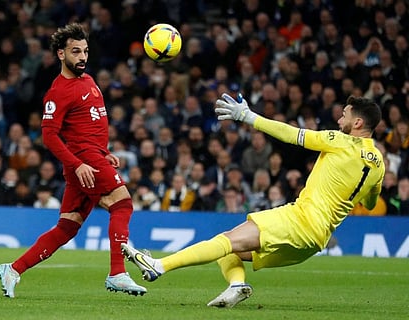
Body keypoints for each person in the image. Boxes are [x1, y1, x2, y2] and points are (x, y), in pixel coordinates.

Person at [122, 94, 384, 308]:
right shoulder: (379, 165)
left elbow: (292, 134)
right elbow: (371, 203)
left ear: (358, 123)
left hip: (300, 219)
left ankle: (158, 266)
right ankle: (236, 286)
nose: (339, 119)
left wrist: (248, 117)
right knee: (230, 248)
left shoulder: (341, 141)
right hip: (315, 241)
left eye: (345, 115)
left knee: (224, 241)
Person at [0, 23, 146, 298]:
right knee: (122, 204)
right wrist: (78, 164)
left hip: (93, 158)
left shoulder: (88, 81)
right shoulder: (57, 91)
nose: (83, 57)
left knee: (68, 226)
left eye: (85, 51)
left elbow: (90, 125)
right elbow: (50, 136)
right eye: (75, 51)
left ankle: (13, 269)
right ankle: (117, 273)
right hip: (83, 162)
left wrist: (104, 151)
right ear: (61, 55)